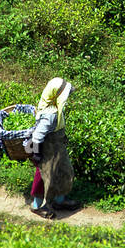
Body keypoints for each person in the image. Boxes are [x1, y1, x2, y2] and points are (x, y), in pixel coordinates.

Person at [25, 77, 79, 219]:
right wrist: (36, 155)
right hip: (46, 153)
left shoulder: (56, 109)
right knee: (44, 178)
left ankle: (59, 200)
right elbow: (37, 136)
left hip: (57, 150)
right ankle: (37, 205)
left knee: (63, 172)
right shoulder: (50, 114)